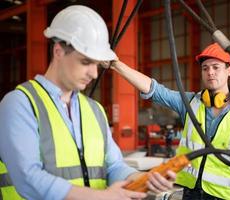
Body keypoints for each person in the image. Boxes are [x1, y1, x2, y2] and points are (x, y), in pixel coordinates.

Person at [0, 5, 175, 200]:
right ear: (58, 51)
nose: (94, 73)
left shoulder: (94, 110)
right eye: (85, 62)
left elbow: (114, 166)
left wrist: (143, 178)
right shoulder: (20, 104)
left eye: (97, 64)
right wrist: (100, 197)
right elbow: (27, 178)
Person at [110, 43, 230, 200]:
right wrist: (116, 64)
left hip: (224, 196)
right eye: (205, 68)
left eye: (215, 67)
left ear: (229, 70)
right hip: (189, 193)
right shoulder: (190, 103)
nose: (210, 72)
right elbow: (154, 90)